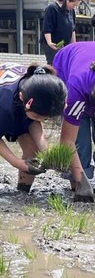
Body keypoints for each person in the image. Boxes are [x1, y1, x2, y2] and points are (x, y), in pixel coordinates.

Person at [0, 63, 67, 195]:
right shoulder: (5, 104)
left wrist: (48, 154)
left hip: (18, 101)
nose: (41, 121)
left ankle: (23, 193)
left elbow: (35, 123)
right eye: (37, 116)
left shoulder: (43, 93)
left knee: (32, 148)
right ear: (25, 101)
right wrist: (17, 163)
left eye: (45, 118)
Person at [53, 42, 95, 201]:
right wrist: (82, 182)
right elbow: (67, 141)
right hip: (67, 66)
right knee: (80, 139)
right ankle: (78, 181)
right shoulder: (76, 90)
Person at [41, 0, 82, 65]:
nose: (74, 7)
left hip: (64, 44)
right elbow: (47, 26)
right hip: (52, 43)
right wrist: (49, 42)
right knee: (54, 63)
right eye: (74, 5)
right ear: (67, 0)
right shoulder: (52, 8)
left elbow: (72, 29)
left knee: (65, 64)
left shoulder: (71, 11)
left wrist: (74, 45)